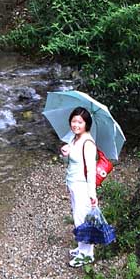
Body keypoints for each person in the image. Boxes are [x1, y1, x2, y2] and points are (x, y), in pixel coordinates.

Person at [60, 107, 98, 267]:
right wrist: (65, 155)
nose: (76, 124)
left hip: (83, 187)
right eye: (73, 121)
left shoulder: (88, 143)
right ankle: (81, 248)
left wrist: (92, 194)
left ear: (86, 124)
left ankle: (87, 255)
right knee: (77, 217)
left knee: (83, 219)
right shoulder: (74, 139)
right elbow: (71, 164)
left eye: (79, 122)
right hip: (73, 184)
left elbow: (91, 171)